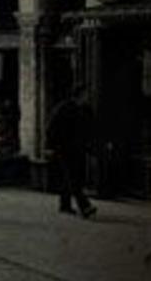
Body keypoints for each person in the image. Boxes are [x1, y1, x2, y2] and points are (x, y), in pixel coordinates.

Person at [46, 85, 97, 218]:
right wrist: (50, 146)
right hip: (65, 148)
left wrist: (91, 147)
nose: (87, 97)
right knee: (72, 177)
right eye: (86, 94)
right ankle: (84, 206)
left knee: (70, 177)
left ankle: (65, 205)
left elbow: (90, 129)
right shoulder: (64, 108)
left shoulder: (86, 110)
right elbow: (52, 127)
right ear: (79, 95)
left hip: (79, 148)